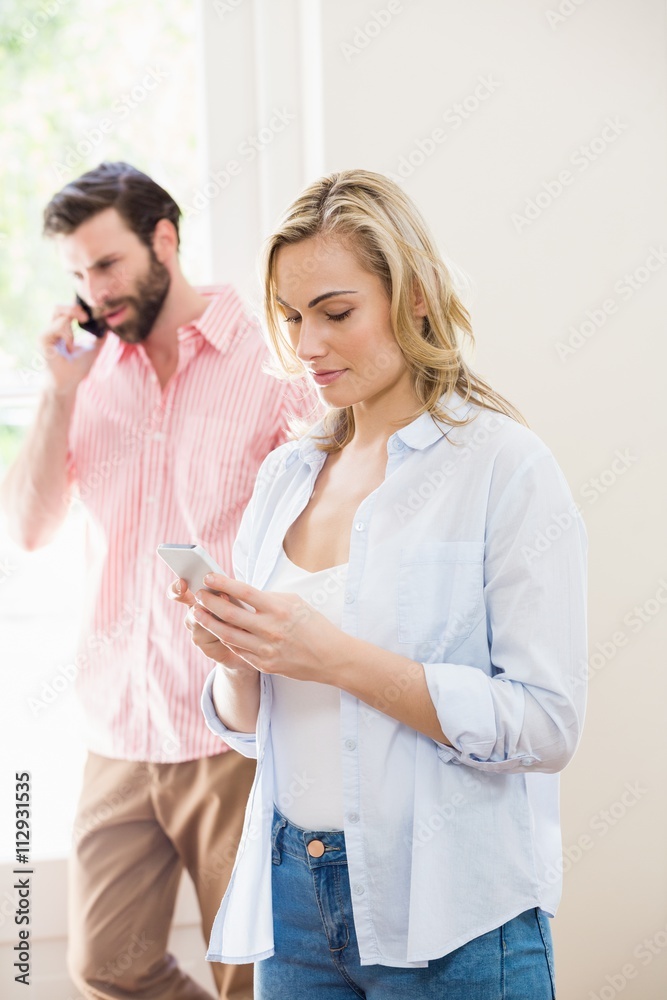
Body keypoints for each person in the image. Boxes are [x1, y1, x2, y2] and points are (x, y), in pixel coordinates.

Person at [168, 168, 588, 998]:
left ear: (416, 297)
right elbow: (252, 731)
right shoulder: (286, 477)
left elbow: (546, 726)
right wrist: (235, 662)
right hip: (292, 904)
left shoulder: (503, 468)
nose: (307, 346)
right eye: (291, 317)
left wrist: (335, 658)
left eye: (335, 313)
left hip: (454, 913)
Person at [1, 161, 313, 1000]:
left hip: (230, 729)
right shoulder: (89, 375)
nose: (93, 292)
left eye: (106, 264)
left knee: (253, 979)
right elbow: (27, 527)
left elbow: (330, 524)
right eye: (77, 274)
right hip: (118, 726)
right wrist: (58, 395)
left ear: (163, 240)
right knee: (105, 964)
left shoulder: (266, 355)